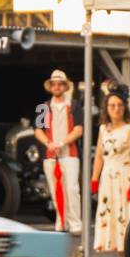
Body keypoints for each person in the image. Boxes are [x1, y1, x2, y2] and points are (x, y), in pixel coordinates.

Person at [34, 69, 83, 235]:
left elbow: (78, 129)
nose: (56, 86)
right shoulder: (44, 107)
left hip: (69, 153)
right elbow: (38, 130)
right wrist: (49, 143)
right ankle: (61, 221)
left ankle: (75, 223)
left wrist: (61, 143)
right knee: (56, 190)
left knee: (72, 188)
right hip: (51, 155)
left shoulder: (74, 105)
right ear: (50, 86)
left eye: (60, 84)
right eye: (54, 84)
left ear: (65, 86)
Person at [91, 92, 130, 257]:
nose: (116, 109)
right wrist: (94, 178)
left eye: (119, 105)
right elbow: (99, 156)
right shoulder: (103, 130)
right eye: (112, 105)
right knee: (113, 220)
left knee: (126, 220)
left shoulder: (129, 129)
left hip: (125, 178)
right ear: (106, 109)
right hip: (108, 179)